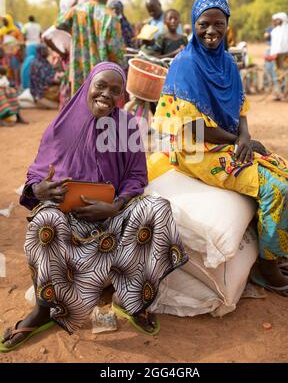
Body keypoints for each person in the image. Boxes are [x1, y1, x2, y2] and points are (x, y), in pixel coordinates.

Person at [0, 62, 187, 351]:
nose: (106, 94)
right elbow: (36, 177)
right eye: (101, 86)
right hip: (71, 219)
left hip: (113, 216)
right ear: (88, 84)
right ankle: (43, 309)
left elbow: (137, 177)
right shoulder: (62, 125)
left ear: (121, 96)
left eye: (115, 90)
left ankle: (132, 300)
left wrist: (114, 206)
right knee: (43, 222)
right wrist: (40, 189)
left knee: (157, 208)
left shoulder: (126, 126)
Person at [152, 0, 288, 297]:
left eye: (218, 24)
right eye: (204, 24)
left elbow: (241, 110)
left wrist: (244, 137)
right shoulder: (185, 65)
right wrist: (238, 140)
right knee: (275, 189)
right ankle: (266, 268)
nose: (211, 31)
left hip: (229, 142)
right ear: (194, 24)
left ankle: (281, 251)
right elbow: (192, 130)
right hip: (196, 152)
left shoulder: (227, 62)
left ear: (227, 25)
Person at [56, 0, 125, 95]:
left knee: (79, 104)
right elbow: (116, 50)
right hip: (101, 73)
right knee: (99, 107)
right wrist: (122, 67)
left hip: (78, 71)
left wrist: (76, 31)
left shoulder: (76, 10)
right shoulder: (110, 16)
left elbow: (59, 23)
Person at [270, 12, 288, 102]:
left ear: (282, 20)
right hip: (278, 57)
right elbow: (275, 45)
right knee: (279, 75)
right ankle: (279, 93)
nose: (275, 22)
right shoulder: (275, 31)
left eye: (277, 20)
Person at [29, 44, 60, 109]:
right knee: (62, 89)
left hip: (36, 91)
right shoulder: (41, 64)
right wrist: (58, 78)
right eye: (46, 50)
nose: (48, 52)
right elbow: (47, 80)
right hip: (41, 92)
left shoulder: (35, 61)